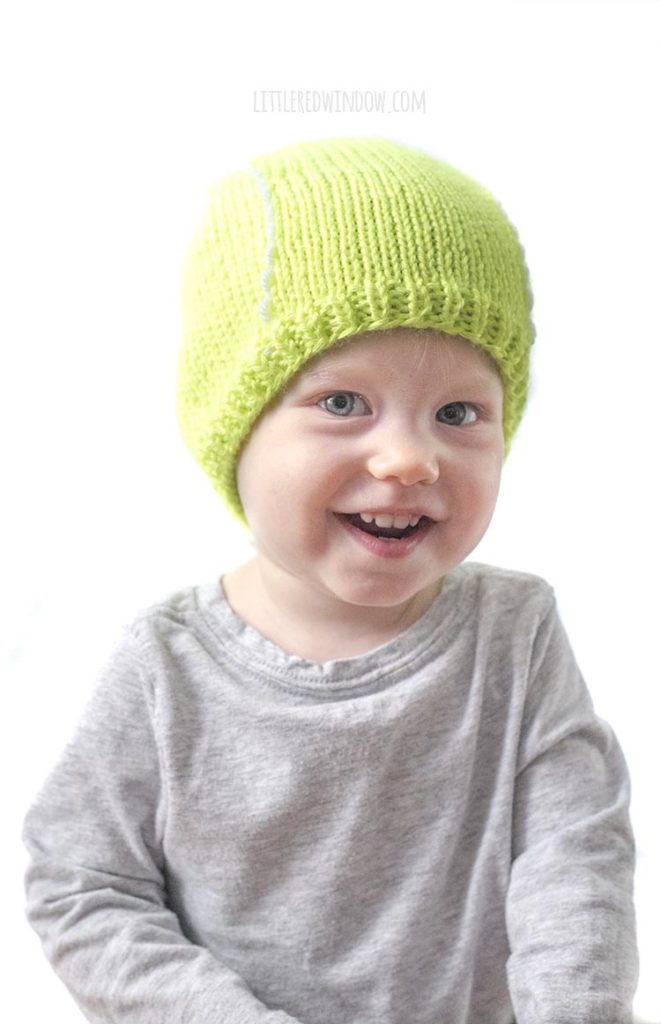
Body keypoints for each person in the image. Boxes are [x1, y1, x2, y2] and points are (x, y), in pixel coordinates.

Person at [22, 136, 639, 1024]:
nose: (408, 458)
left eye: (457, 412)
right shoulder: (167, 663)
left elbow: (573, 857)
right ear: (233, 431)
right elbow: (83, 883)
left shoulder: (516, 631)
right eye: (342, 403)